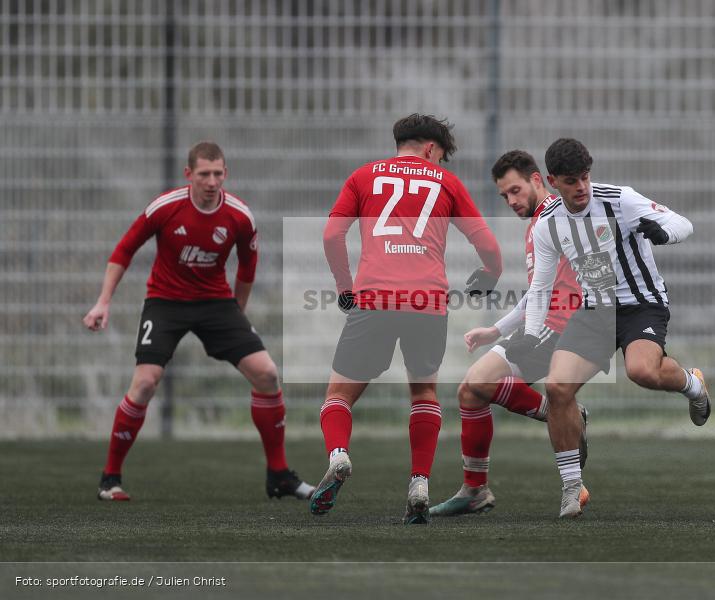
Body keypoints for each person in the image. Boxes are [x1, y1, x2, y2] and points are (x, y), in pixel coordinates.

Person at [83, 142, 314, 502]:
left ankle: (279, 475)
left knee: (267, 374)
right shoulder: (165, 207)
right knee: (145, 383)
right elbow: (124, 250)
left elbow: (248, 268)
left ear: (226, 173)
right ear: (189, 174)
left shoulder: (239, 216)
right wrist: (103, 301)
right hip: (165, 302)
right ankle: (109, 479)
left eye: (218, 173)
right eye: (204, 174)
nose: (211, 181)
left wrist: (237, 314)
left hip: (215, 304)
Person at [505, 138, 710, 518]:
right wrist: (531, 334)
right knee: (557, 387)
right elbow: (541, 289)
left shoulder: (620, 200)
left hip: (642, 305)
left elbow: (683, 223)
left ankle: (693, 384)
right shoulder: (548, 225)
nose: (581, 186)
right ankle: (571, 487)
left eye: (585, 177)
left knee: (641, 371)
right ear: (552, 182)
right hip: (595, 311)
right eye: (571, 181)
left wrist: (664, 233)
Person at [316, 114, 503, 524]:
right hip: (427, 301)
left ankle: (339, 455)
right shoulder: (447, 182)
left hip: (375, 298)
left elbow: (331, 235)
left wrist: (346, 287)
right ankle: (419, 484)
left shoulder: (363, 177)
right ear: (432, 149)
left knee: (339, 395)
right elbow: (488, 245)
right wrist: (490, 275)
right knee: (423, 393)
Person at [430, 149, 588, 517]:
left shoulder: (559, 217)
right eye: (504, 196)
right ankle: (475, 490)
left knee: (479, 382)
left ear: (537, 180)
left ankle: (564, 412)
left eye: (515, 191)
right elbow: (537, 292)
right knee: (470, 392)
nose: (511, 201)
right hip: (542, 323)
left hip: (562, 326)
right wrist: (496, 329)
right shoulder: (537, 224)